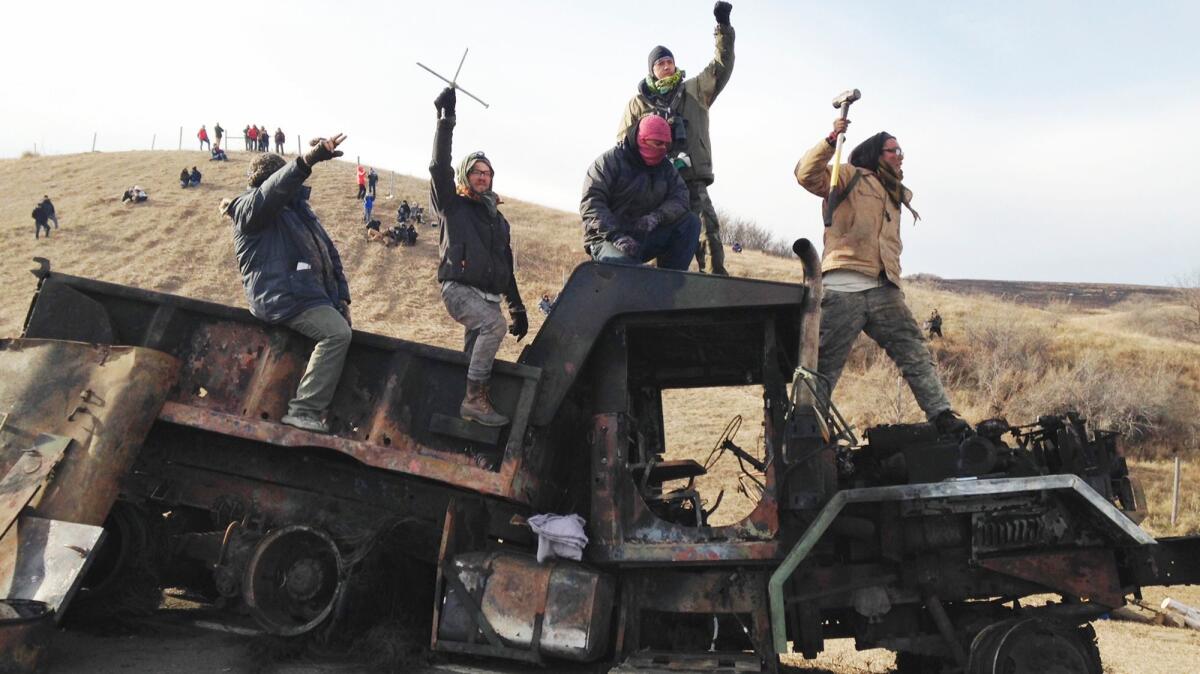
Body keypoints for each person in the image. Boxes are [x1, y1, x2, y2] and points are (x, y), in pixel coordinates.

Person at [794, 118, 968, 435]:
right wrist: (832, 140)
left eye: (901, 150)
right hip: (842, 286)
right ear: (877, 153)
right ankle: (807, 435)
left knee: (915, 353)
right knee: (824, 368)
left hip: (884, 288)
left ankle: (943, 416)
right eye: (893, 150)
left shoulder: (893, 194)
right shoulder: (848, 176)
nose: (900, 155)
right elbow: (806, 174)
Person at [222, 135, 352, 434]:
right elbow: (271, 193)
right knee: (336, 335)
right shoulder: (248, 207)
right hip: (282, 295)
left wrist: (341, 299)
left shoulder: (299, 213)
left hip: (304, 294)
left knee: (339, 329)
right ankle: (304, 411)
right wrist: (307, 161)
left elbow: (329, 255)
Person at [431, 86, 527, 427]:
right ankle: (474, 400)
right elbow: (438, 167)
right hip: (459, 289)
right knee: (493, 325)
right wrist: (446, 122)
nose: (483, 177)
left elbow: (505, 265)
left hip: (488, 296)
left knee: (477, 346)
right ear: (465, 177)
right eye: (477, 173)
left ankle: (463, 417)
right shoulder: (453, 206)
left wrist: (517, 307)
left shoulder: (498, 220)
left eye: (488, 173)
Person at [617, 1, 735, 276]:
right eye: (661, 63)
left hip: (692, 176)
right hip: (657, 182)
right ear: (652, 70)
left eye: (670, 61)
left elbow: (722, 65)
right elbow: (623, 142)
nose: (667, 66)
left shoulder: (694, 89)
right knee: (661, 232)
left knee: (708, 230)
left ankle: (717, 281)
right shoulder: (638, 103)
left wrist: (723, 28)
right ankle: (663, 288)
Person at [581, 115, 699, 270]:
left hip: (642, 236)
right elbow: (592, 204)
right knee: (629, 272)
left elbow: (681, 198)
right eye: (658, 143)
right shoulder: (608, 163)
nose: (663, 149)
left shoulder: (666, 169)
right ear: (642, 139)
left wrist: (657, 216)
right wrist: (616, 236)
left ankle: (670, 283)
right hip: (605, 239)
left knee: (690, 222)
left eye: (666, 145)